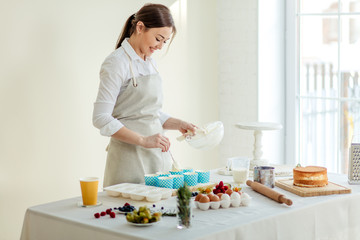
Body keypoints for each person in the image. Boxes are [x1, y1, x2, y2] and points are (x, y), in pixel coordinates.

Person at [93, 3, 196, 187]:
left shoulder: (149, 62)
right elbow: (100, 118)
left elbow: (147, 113)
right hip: (128, 160)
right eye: (158, 38)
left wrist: (178, 124)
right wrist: (143, 140)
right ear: (140, 27)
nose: (160, 46)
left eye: (165, 41)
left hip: (155, 157)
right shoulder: (116, 63)